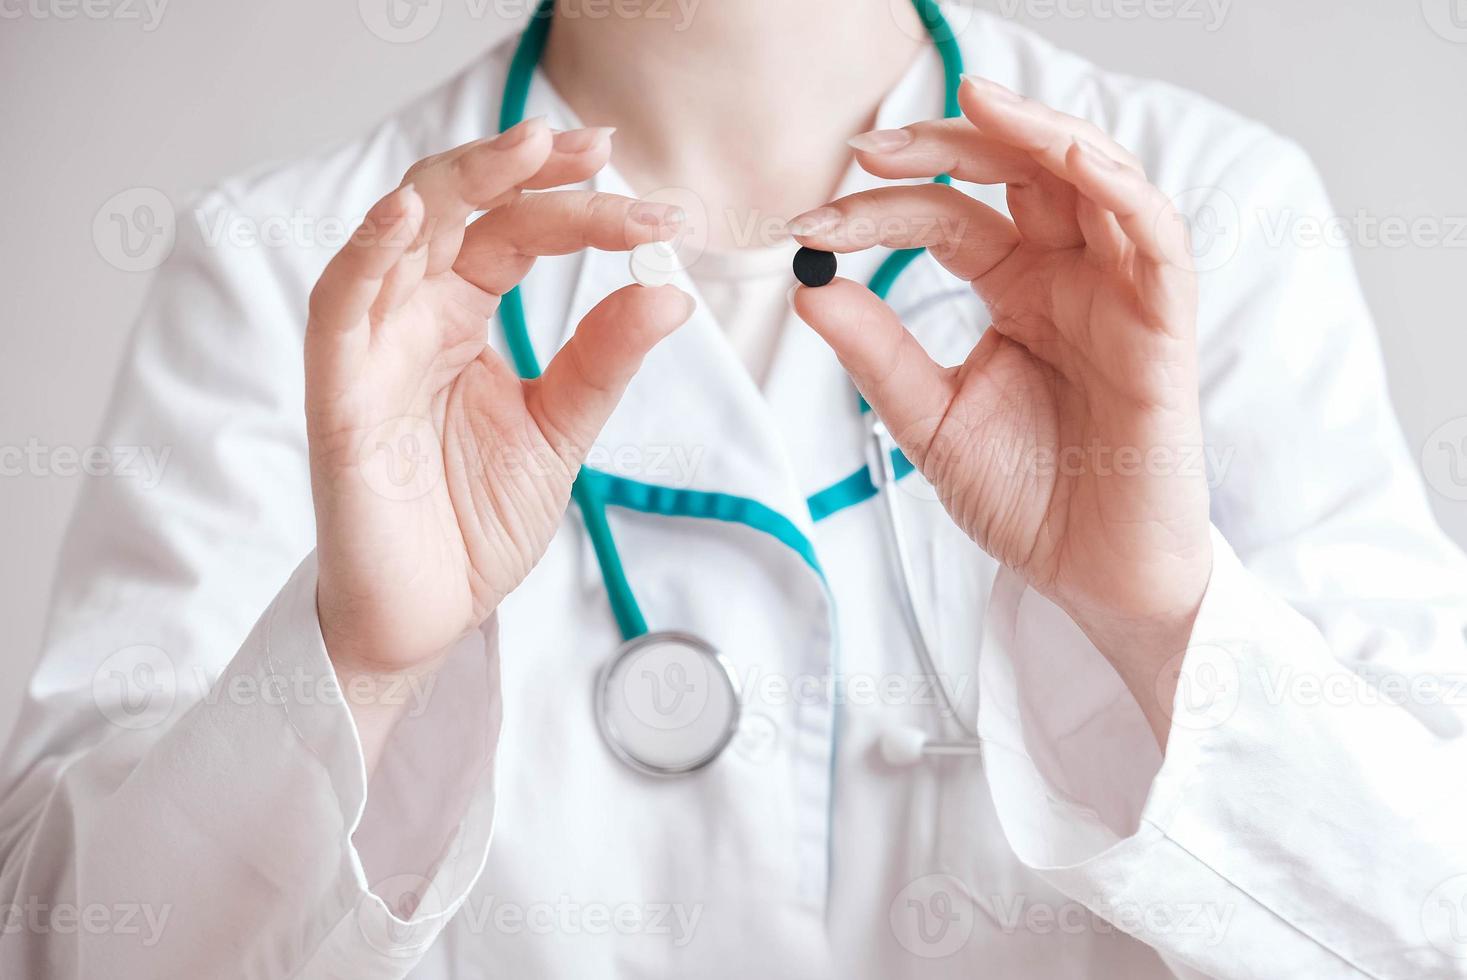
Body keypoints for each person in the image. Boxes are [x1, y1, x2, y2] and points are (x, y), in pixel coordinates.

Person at [3, 0, 1466, 976]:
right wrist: (358, 668)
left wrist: (1163, 622)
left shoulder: (1200, 214)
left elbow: (1432, 919)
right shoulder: (294, 262)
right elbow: (75, 948)